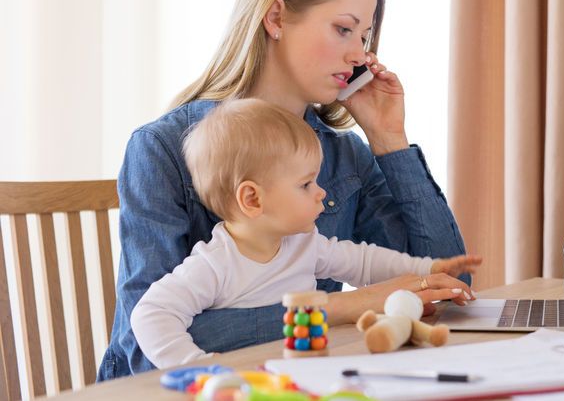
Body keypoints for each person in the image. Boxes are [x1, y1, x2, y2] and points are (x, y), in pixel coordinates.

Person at [99, 0, 469, 379]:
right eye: (343, 29)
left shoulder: (344, 156)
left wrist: (389, 138)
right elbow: (147, 341)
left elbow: (449, 289)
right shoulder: (162, 149)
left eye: (366, 36)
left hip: (291, 380)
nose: (359, 55)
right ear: (276, 16)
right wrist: (338, 308)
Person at [131, 99, 480, 368]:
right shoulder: (214, 264)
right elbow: (151, 315)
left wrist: (428, 269)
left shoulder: (303, 245)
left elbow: (364, 262)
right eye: (306, 184)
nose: (321, 193)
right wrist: (198, 370)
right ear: (252, 198)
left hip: (299, 372)